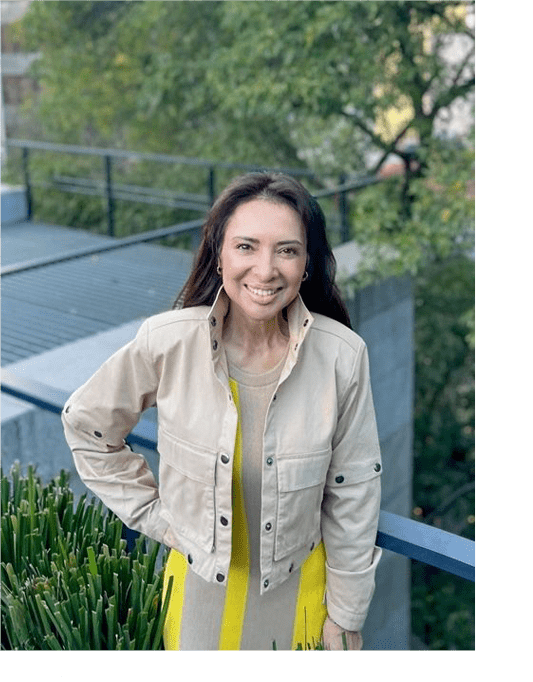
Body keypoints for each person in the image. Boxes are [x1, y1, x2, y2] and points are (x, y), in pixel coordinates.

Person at [62, 172, 382, 651]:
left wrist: (346, 614)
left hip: (303, 595)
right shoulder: (167, 341)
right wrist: (156, 517)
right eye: (247, 247)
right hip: (196, 595)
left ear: (308, 263)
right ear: (219, 254)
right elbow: (88, 427)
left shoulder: (343, 356)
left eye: (287, 250)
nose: (266, 269)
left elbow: (353, 491)